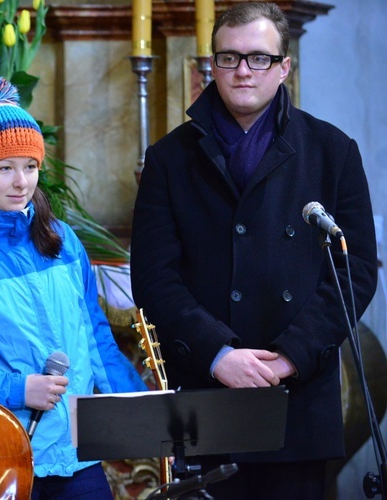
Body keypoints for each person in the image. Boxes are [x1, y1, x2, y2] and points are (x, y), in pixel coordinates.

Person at [130, 2, 378, 499]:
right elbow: (154, 277)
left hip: (297, 397)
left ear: (285, 66)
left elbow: (355, 271)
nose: (243, 70)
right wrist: (218, 354)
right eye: (229, 57)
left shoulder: (333, 152)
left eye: (259, 58)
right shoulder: (168, 159)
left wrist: (289, 356)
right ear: (212, 64)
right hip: (207, 393)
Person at [0, 75, 148, 499]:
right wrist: (18, 389)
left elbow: (96, 336)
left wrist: (141, 410)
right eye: (4, 168)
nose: (21, 182)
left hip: (80, 457)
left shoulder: (63, 241)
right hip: (4, 455)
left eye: (30, 166)